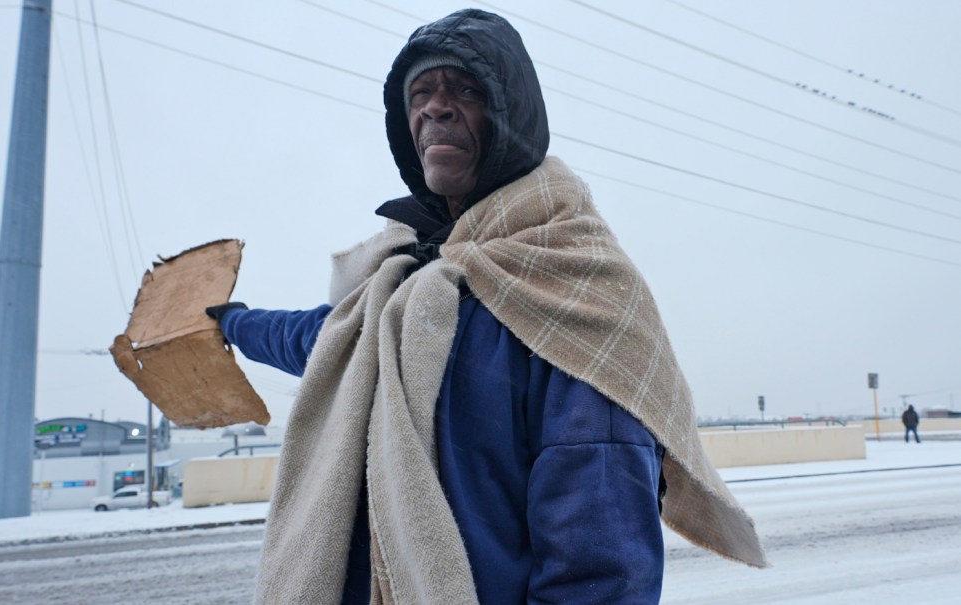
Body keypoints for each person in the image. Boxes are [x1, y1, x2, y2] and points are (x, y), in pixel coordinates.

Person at [206, 9, 765, 604]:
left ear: (509, 115)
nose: (435, 107)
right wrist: (234, 322)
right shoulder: (401, 282)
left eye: (465, 90)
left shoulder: (578, 292)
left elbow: (599, 564)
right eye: (420, 93)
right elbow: (323, 342)